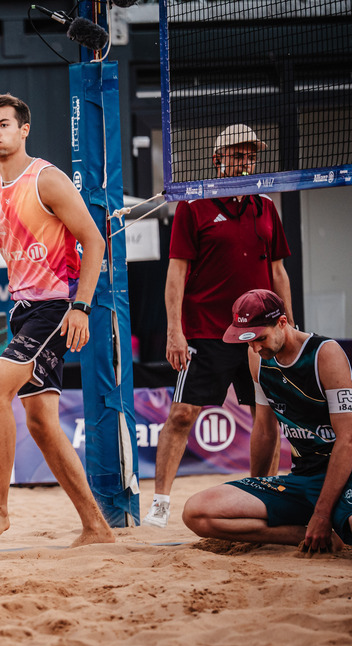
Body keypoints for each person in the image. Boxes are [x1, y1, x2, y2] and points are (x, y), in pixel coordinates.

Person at [0, 93, 114, 547]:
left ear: (24, 130)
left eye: (3, 124)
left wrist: (81, 307)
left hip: (55, 306)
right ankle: (96, 527)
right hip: (21, 310)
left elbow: (95, 241)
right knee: (40, 422)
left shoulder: (47, 179)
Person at [143, 123, 294, 528]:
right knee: (181, 414)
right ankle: (160, 505)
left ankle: (263, 494)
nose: (244, 160)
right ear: (217, 158)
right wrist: (174, 331)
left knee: (267, 416)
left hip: (260, 334)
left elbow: (278, 272)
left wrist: (290, 328)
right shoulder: (193, 206)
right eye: (237, 153)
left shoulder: (266, 206)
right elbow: (176, 275)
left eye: (250, 155)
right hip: (206, 331)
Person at [182, 289, 352, 552]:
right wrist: (256, 489)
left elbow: (348, 440)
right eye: (248, 341)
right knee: (196, 511)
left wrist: (321, 514)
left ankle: (326, 524)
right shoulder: (258, 358)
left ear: (282, 322)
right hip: (303, 478)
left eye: (260, 338)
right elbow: (264, 430)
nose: (255, 348)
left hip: (344, 476)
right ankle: (306, 535)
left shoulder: (325, 353)